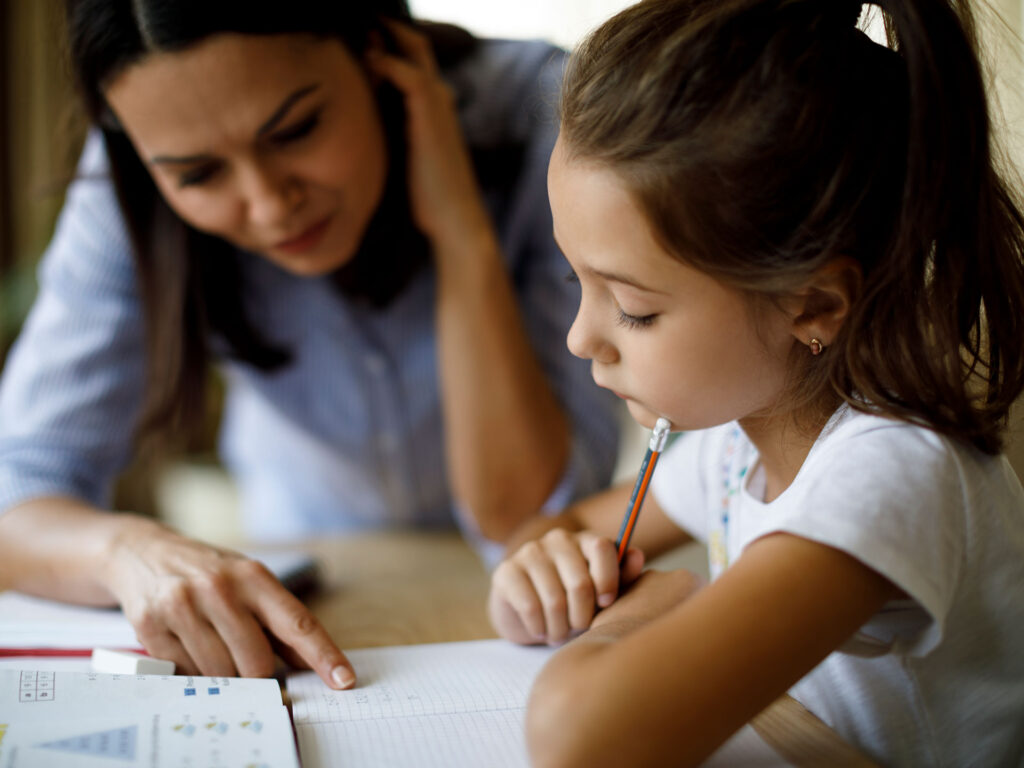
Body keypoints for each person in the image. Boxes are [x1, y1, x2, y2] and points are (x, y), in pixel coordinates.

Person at [0, 0, 620, 689]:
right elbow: (18, 480)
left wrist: (460, 233)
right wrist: (126, 549)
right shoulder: (136, 167)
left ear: (378, 52)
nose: (268, 206)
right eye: (199, 176)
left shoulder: (548, 117)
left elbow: (523, 519)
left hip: (523, 603)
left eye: (295, 130)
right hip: (319, 582)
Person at [487, 0, 1024, 764]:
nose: (581, 339)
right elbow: (563, 531)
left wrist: (636, 618)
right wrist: (538, 576)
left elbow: (585, 740)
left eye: (634, 309)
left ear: (812, 305)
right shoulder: (737, 445)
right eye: (577, 280)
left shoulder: (894, 476)